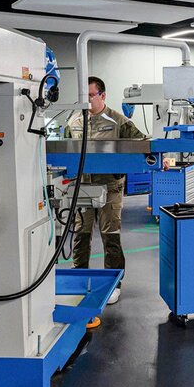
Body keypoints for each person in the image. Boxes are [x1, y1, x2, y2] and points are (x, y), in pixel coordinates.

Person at [65, 76, 146, 305]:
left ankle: (113, 284)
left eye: (91, 95)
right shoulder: (73, 121)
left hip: (110, 186)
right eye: (84, 96)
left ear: (103, 95)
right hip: (82, 187)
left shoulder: (118, 121)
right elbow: (65, 149)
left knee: (110, 236)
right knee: (80, 235)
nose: (87, 100)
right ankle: (79, 280)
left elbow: (142, 143)